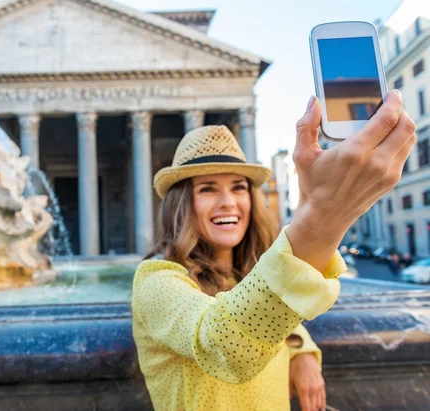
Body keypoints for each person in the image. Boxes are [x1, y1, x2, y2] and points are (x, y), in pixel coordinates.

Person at [132, 90, 415, 411]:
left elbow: (265, 312)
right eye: (207, 188)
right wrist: (324, 216)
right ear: (181, 206)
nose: (228, 201)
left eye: (238, 187)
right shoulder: (155, 280)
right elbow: (222, 343)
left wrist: (301, 348)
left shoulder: (245, 276)